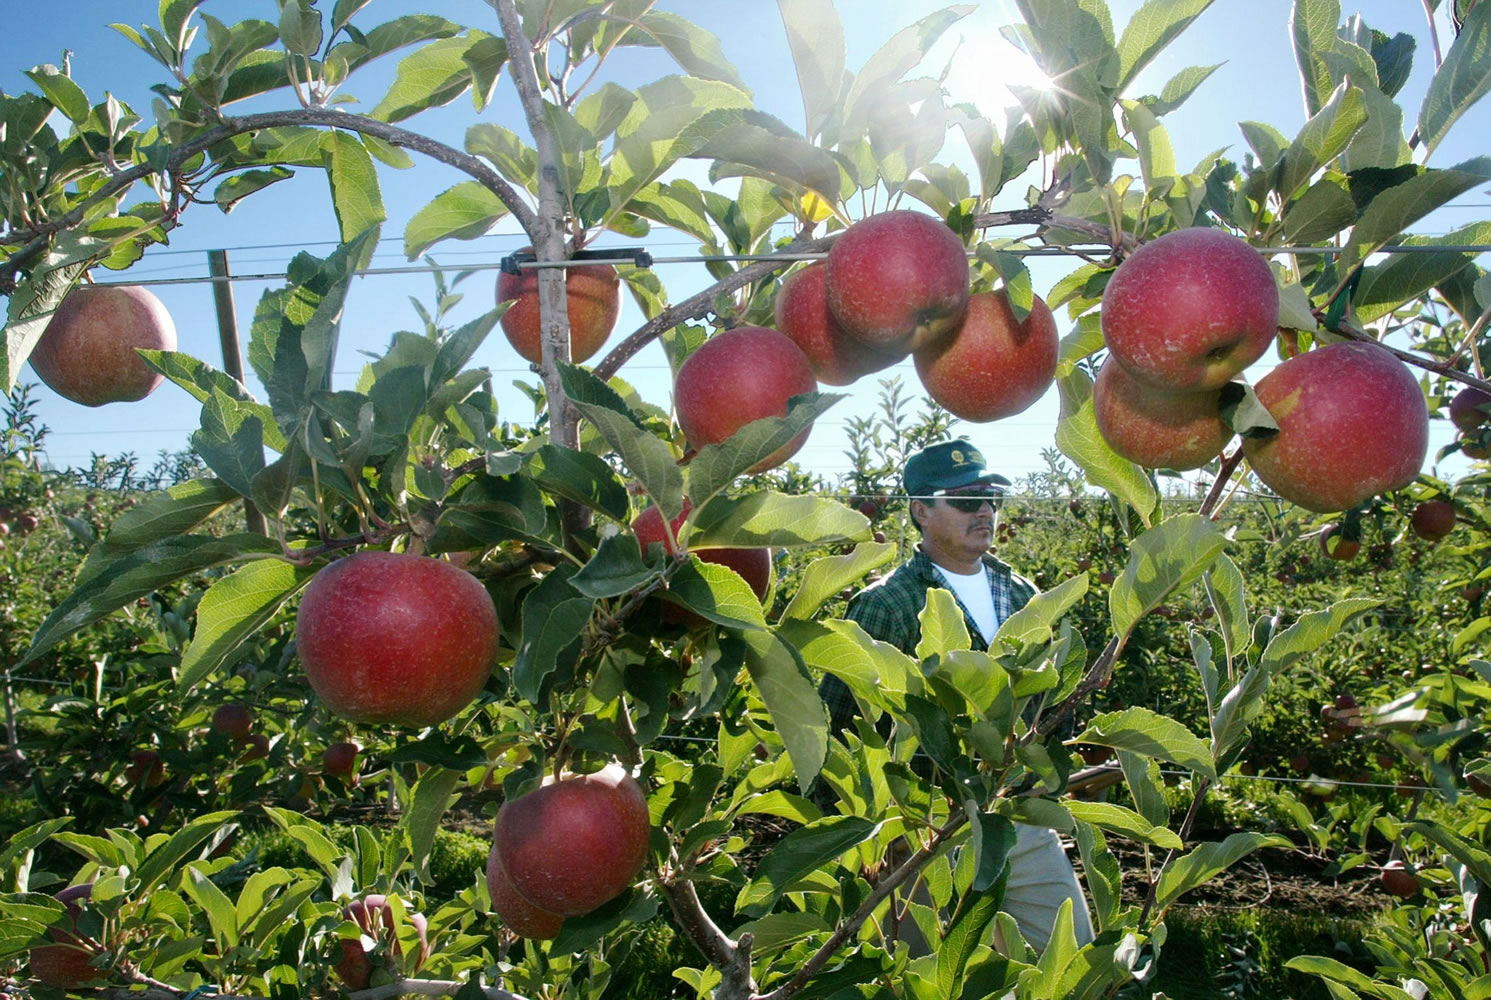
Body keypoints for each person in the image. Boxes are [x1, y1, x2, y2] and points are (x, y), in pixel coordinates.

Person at [821, 438, 1095, 953]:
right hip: (925, 830)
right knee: (933, 972)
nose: (985, 511)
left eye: (991, 499)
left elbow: (1052, 704)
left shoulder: (1024, 596)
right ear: (920, 510)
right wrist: (858, 838)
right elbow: (838, 727)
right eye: (967, 501)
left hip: (1016, 819)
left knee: (1067, 957)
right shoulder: (885, 606)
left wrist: (1046, 780)